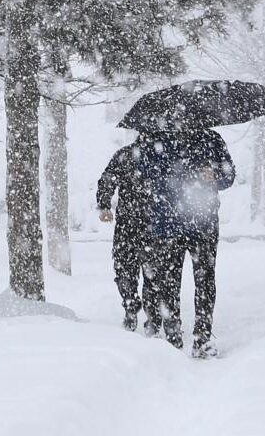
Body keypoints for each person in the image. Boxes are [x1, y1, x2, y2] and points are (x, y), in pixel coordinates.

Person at [137, 128, 234, 359]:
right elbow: (143, 173)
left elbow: (228, 176)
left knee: (205, 281)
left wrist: (214, 174)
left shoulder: (211, 139)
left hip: (203, 224)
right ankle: (173, 338)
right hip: (169, 224)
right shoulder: (157, 139)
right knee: (169, 282)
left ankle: (202, 338)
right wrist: (170, 174)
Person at [96, 136, 161, 335]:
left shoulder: (125, 154)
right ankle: (147, 314)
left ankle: (133, 307)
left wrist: (105, 204)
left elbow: (107, 179)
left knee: (127, 270)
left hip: (131, 223)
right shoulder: (159, 155)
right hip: (151, 224)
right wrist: (104, 204)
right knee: (151, 273)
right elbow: (108, 179)